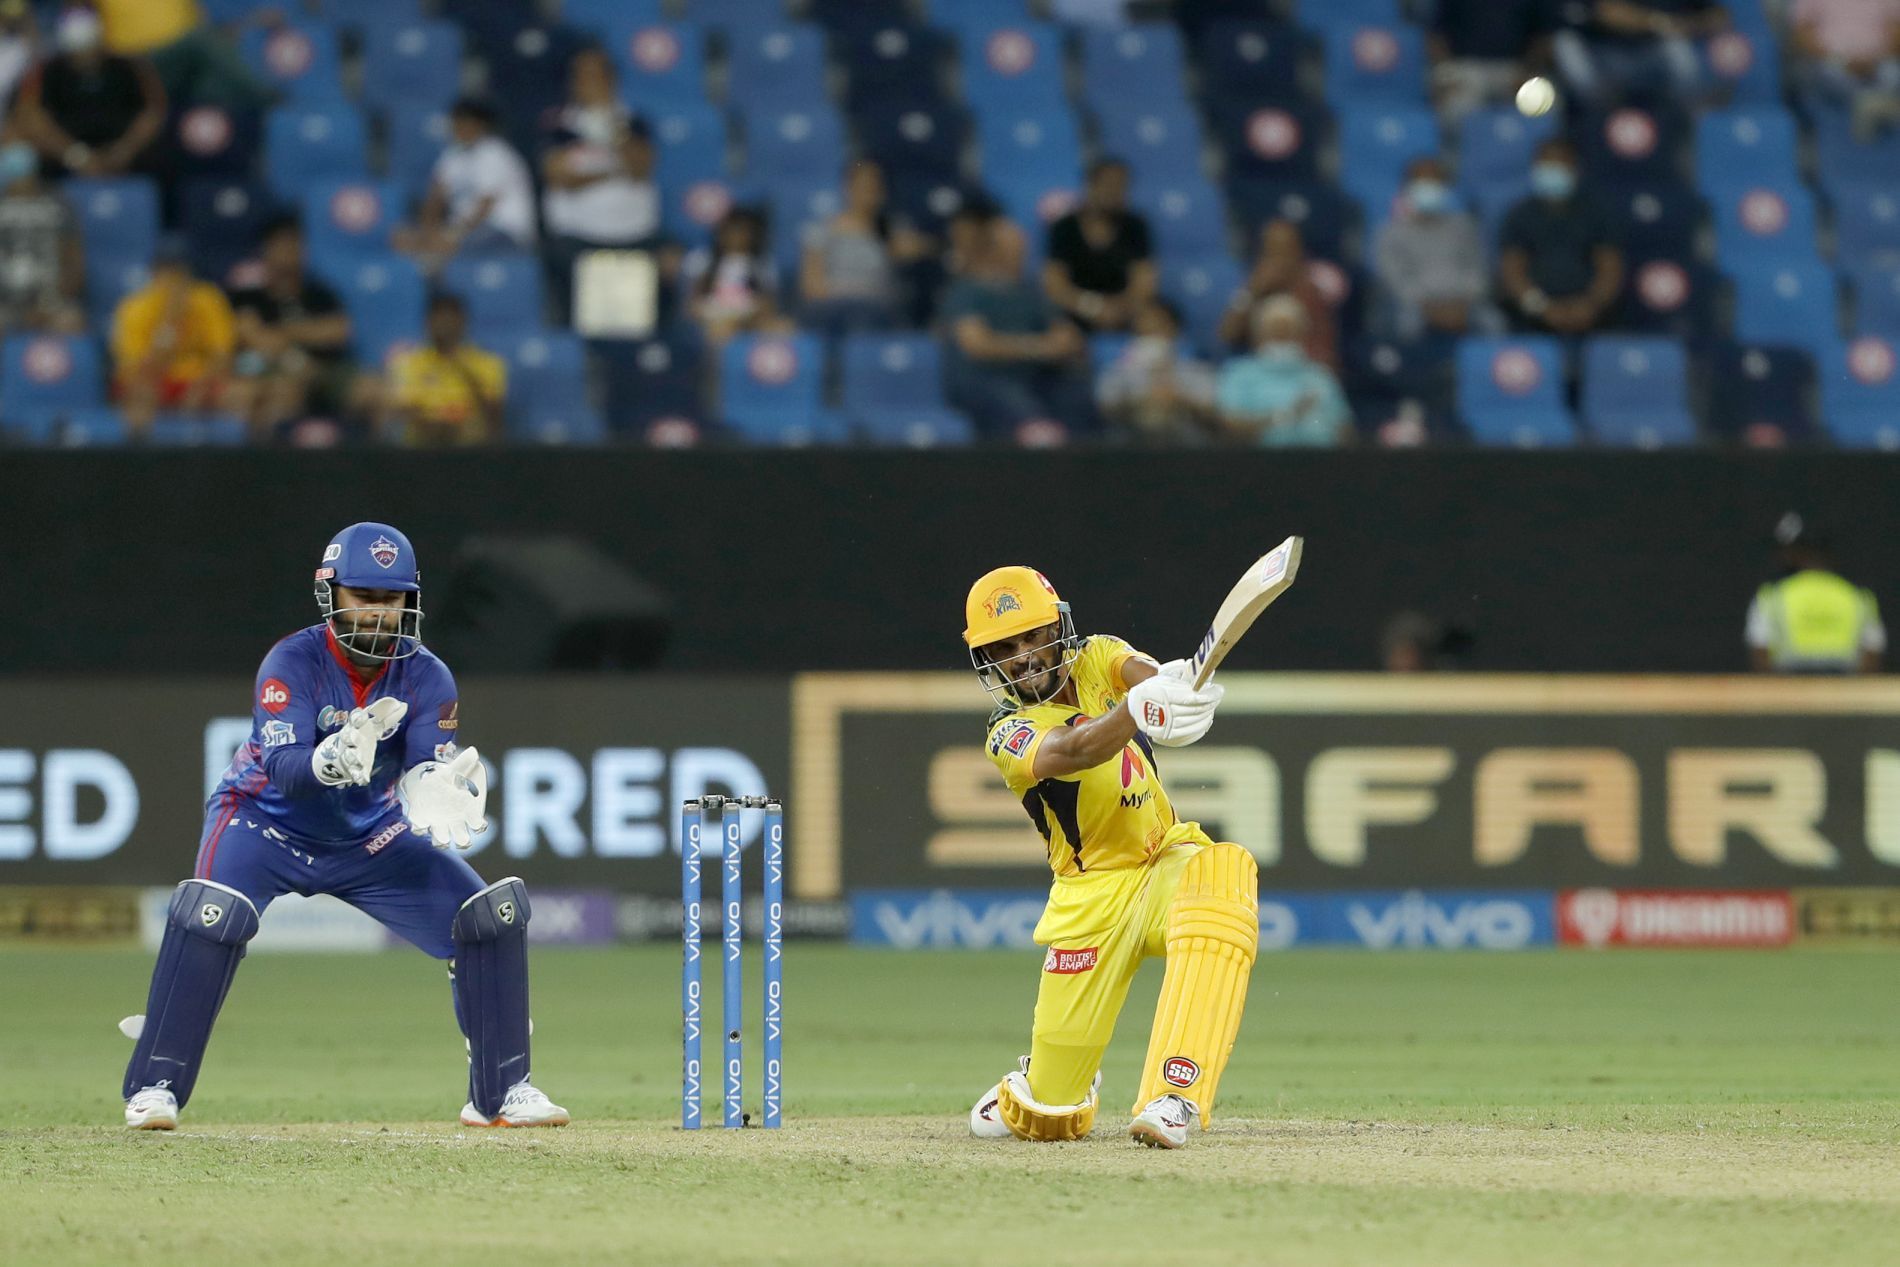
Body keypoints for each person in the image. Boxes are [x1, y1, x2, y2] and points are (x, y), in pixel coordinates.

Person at [120, 523, 567, 1132]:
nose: (379, 614)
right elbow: (282, 768)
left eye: (391, 600)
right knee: (211, 914)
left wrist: (432, 787)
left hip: (368, 836)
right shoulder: (292, 661)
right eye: (365, 596)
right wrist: (328, 760)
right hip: (263, 823)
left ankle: (503, 1091)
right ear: (330, 595)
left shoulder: (428, 676)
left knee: (489, 917)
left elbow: (422, 766)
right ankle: (155, 1088)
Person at [958, 567, 1251, 1149]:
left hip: (1164, 858)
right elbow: (1074, 749)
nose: (1023, 657)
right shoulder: (1005, 730)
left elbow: (1139, 672)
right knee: (1050, 1119)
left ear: (1058, 629)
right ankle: (1038, 1082)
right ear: (988, 660)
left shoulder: (1095, 656)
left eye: (1033, 636)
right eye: (1005, 648)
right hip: (1089, 897)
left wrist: (1178, 685)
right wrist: (1140, 711)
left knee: (1223, 873)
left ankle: (1174, 1096)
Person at [941, 213, 1095, 439]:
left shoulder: (1031, 292)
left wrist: (1065, 342)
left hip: (1033, 378)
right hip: (987, 380)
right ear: (992, 250)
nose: (1018, 255)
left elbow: (1064, 333)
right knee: (1016, 405)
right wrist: (1039, 348)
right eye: (1010, 248)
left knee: (1076, 396)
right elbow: (976, 344)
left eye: (1021, 248)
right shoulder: (967, 291)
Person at [540, 46, 662, 317]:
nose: (587, 84)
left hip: (634, 235)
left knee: (634, 315)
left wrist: (610, 124)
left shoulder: (632, 121)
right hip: (577, 238)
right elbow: (560, 177)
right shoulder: (559, 123)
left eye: (595, 76)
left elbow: (640, 168)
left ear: (611, 80)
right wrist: (611, 172)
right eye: (581, 76)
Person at [13, 4, 166, 178]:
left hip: (123, 149)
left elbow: (153, 111)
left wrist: (125, 150)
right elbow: (31, 117)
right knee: (28, 156)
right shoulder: (50, 71)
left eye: (89, 49)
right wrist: (74, 155)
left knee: (163, 154)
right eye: (78, 52)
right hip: (66, 154)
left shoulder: (127, 67)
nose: (85, 58)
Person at [1497, 138, 1624, 335]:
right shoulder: (1520, 215)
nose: (1553, 171)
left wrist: (1591, 305)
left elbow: (1610, 266)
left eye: (1560, 164)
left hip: (1592, 317)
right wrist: (1542, 308)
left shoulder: (1596, 213)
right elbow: (1513, 270)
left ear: (1574, 169)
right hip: (1532, 319)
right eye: (1547, 165)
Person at [111, 239, 236, 430]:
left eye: (178, 272)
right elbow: (140, 371)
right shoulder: (135, 308)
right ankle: (142, 455)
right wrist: (170, 323)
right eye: (166, 271)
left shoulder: (208, 299)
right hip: (155, 383)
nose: (172, 280)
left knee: (238, 394)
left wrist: (201, 386)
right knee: (141, 395)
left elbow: (223, 357)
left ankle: (230, 457)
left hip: (198, 379)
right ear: (153, 274)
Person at [397, 98, 538, 267]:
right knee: (403, 239)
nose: (458, 128)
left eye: (464, 122)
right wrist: (427, 231)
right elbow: (435, 199)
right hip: (466, 230)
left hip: (504, 230)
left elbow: (484, 207)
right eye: (456, 122)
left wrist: (452, 234)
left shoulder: (495, 153)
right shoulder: (452, 156)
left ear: (480, 125)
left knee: (444, 246)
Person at [799, 159, 929, 334]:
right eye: (863, 186)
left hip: (878, 309)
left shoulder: (893, 229)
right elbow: (812, 285)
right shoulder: (821, 231)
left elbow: (918, 250)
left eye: (875, 186)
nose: (869, 192)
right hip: (833, 308)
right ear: (848, 187)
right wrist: (849, 294)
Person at [1746, 513, 1885, 673]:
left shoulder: (1772, 597)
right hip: (1845, 692)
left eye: (1786, 550)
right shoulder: (1857, 597)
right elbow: (1872, 656)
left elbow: (1760, 655)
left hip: (1790, 692)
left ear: (1796, 552)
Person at [1373, 156, 1491, 339]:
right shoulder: (1390, 233)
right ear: (1408, 188)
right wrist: (1431, 309)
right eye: (1421, 182)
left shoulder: (1463, 226)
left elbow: (1478, 271)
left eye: (1435, 182)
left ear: (1446, 188)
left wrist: (1462, 305)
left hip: (1464, 304)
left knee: (1493, 323)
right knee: (1406, 324)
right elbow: (1396, 281)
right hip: (1416, 307)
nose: (1428, 187)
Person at [1215, 295, 1351, 447]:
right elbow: (1229, 425)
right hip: (1260, 464)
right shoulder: (1239, 374)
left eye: (1288, 331)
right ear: (1258, 334)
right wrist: (1285, 416)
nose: (1282, 338)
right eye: (1276, 331)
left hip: (1321, 462)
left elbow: (1344, 428)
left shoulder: (1320, 376)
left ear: (1302, 334)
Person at [1042, 158, 1156, 333]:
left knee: (1154, 320)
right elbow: (1054, 284)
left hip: (1124, 313)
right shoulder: (1065, 227)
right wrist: (1092, 307)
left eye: (1121, 186)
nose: (1115, 192)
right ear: (1091, 185)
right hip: (1075, 312)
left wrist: (1120, 309)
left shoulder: (1135, 226)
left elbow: (1144, 281)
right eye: (1109, 184)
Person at [383, 292, 506, 446]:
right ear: (427, 322)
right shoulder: (408, 363)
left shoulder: (487, 362)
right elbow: (406, 409)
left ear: (463, 321)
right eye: (438, 316)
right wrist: (441, 424)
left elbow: (493, 414)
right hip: (423, 442)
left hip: (470, 443)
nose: (444, 323)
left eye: (450, 317)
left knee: (473, 429)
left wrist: (459, 364)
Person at [1553, 0, 1729, 107]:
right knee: (1565, 44)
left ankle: (1691, 117)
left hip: (1654, 56)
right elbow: (1608, 11)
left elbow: (1718, 16)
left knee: (1677, 47)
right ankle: (1600, 113)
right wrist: (1662, 23)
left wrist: (1687, 25)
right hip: (1605, 55)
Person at [1217, 218, 1336, 368]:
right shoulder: (1252, 290)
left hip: (1298, 375)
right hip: (1257, 374)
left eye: (1286, 251)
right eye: (1273, 252)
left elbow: (1326, 357)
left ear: (1299, 253)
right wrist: (1251, 291)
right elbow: (1227, 334)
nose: (1280, 260)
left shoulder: (1311, 294)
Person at [1095, 299, 1218, 441]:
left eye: (1157, 328)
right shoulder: (1118, 372)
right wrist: (1143, 400)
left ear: (1174, 331)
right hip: (1130, 449)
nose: (1151, 336)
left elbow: (1213, 411)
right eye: (1145, 331)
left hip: (1187, 450)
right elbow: (1105, 405)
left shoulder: (1197, 371)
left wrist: (1179, 400)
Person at [0, 134, 84, 334]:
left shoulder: (58, 203)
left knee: (71, 323)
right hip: (5, 302)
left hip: (51, 302)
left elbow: (74, 260)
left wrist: (49, 304)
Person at [1429, 0, 1559, 125]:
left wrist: (1529, 72)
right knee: (1455, 108)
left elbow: (1544, 35)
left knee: (1544, 106)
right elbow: (1436, 35)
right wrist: (1447, 73)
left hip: (1515, 69)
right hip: (1466, 69)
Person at [1790, 0, 1900, 136]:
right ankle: (1871, 103)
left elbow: (1896, 30)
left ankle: (1871, 105)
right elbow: (1802, 34)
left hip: (1877, 60)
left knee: (1892, 72)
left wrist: (1874, 59)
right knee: (1830, 73)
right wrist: (1843, 60)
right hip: (1832, 59)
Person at [683, 205, 787, 347]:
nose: (736, 238)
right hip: (714, 315)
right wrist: (717, 314)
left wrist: (746, 319)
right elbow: (692, 303)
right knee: (720, 330)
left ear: (752, 236)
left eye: (743, 232)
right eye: (732, 232)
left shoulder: (762, 263)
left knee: (783, 327)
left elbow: (769, 303)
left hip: (749, 317)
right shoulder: (701, 260)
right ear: (720, 234)